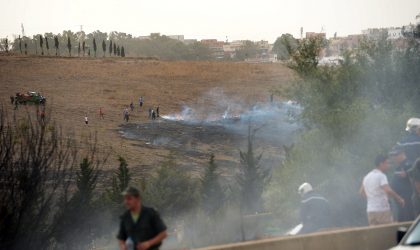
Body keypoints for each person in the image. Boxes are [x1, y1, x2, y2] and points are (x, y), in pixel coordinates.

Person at [360, 154, 405, 226]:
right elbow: (388, 190)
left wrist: (372, 198)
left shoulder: (366, 177)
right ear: (381, 163)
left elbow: (362, 192)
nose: (388, 165)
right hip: (382, 210)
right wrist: (399, 198)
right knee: (388, 233)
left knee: (374, 234)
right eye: (387, 163)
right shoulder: (381, 176)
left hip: (370, 211)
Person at [390, 148, 415, 222]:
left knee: (408, 219)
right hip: (400, 199)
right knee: (401, 220)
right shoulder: (399, 166)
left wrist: (407, 174)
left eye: (396, 155)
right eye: (393, 155)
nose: (394, 157)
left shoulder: (410, 164)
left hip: (408, 198)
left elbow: (416, 176)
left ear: (402, 153)